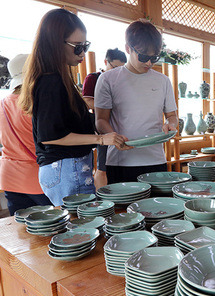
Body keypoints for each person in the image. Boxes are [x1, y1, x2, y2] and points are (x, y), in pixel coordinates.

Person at [18, 8, 129, 206]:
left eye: (85, 46)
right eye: (77, 47)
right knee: (81, 231)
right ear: (55, 44)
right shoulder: (51, 81)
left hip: (70, 169)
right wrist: (101, 139)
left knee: (82, 230)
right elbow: (52, 135)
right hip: (67, 169)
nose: (83, 53)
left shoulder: (58, 78)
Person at [95, 19, 178, 184]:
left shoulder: (163, 81)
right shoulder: (108, 79)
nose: (149, 63)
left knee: (158, 209)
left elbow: (172, 115)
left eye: (154, 57)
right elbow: (100, 120)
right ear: (128, 49)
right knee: (123, 210)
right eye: (143, 56)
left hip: (155, 159)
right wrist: (115, 137)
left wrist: (171, 124)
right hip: (120, 161)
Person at [0, 54, 52, 215]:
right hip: (37, 178)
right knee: (52, 229)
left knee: (22, 232)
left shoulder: (3, 104)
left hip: (9, 178)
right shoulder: (37, 104)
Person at [82, 48, 127, 189]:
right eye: (115, 67)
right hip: (102, 127)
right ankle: (101, 198)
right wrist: (107, 106)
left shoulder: (122, 81)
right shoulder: (93, 78)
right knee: (103, 166)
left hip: (120, 126)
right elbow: (87, 101)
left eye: (122, 68)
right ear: (106, 62)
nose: (118, 72)